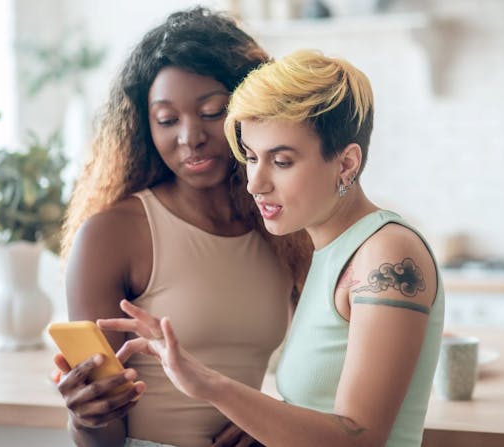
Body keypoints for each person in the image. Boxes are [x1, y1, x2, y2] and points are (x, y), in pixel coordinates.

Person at [99, 49, 445, 447]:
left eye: (281, 161)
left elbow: (359, 440)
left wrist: (208, 384)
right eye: (250, 157)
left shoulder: (385, 254)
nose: (255, 183)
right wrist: (263, 419)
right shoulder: (329, 250)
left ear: (346, 164)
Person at [53, 7, 310, 447]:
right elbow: (103, 437)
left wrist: (272, 418)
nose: (190, 137)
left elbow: (329, 368)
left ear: (254, 113)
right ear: (143, 126)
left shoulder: (282, 229)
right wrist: (87, 418)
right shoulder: (113, 234)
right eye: (167, 120)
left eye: (213, 112)